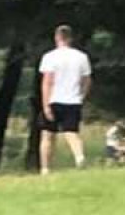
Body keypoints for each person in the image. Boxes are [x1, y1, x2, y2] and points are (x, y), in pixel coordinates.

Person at [39, 24, 92, 175]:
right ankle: (79, 156)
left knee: (48, 134)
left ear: (57, 38)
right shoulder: (81, 57)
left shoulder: (50, 57)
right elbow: (87, 80)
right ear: (71, 38)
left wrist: (45, 105)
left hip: (54, 99)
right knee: (71, 132)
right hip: (73, 100)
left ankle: (45, 168)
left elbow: (47, 81)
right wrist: (81, 95)